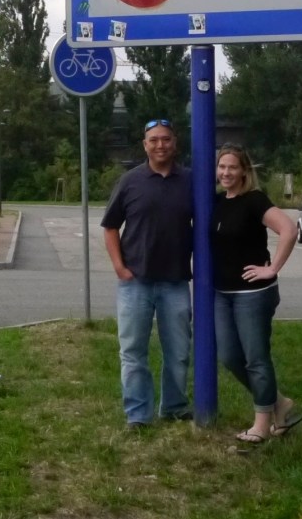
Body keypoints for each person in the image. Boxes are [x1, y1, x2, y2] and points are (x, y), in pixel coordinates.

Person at [101, 118, 193, 428]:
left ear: (174, 143)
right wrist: (119, 267)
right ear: (145, 145)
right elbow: (110, 225)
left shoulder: (191, 181)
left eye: (166, 139)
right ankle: (138, 415)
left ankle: (174, 407)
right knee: (133, 352)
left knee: (179, 352)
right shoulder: (130, 182)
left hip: (176, 281)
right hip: (135, 282)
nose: (160, 145)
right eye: (154, 140)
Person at [211, 143, 302, 444]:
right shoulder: (217, 202)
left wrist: (272, 268)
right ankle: (279, 403)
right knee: (228, 356)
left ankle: (262, 424)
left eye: (232, 167)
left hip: (253, 293)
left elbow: (289, 230)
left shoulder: (254, 200)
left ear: (244, 171)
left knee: (256, 359)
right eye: (222, 166)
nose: (226, 172)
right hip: (222, 293)